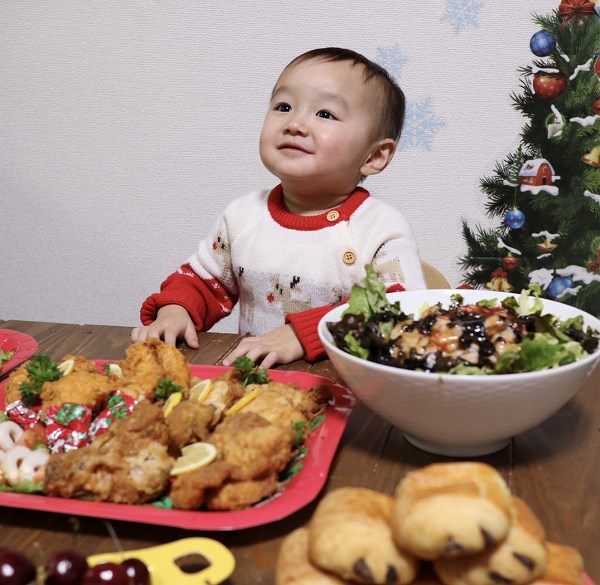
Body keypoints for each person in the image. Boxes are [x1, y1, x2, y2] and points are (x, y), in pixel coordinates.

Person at [131, 47, 426, 368]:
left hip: (343, 386)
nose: (295, 123)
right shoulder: (243, 216)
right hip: (256, 382)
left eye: (325, 114)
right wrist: (176, 309)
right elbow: (203, 282)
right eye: (284, 107)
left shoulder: (380, 227)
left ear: (374, 156)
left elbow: (400, 311)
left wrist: (307, 334)